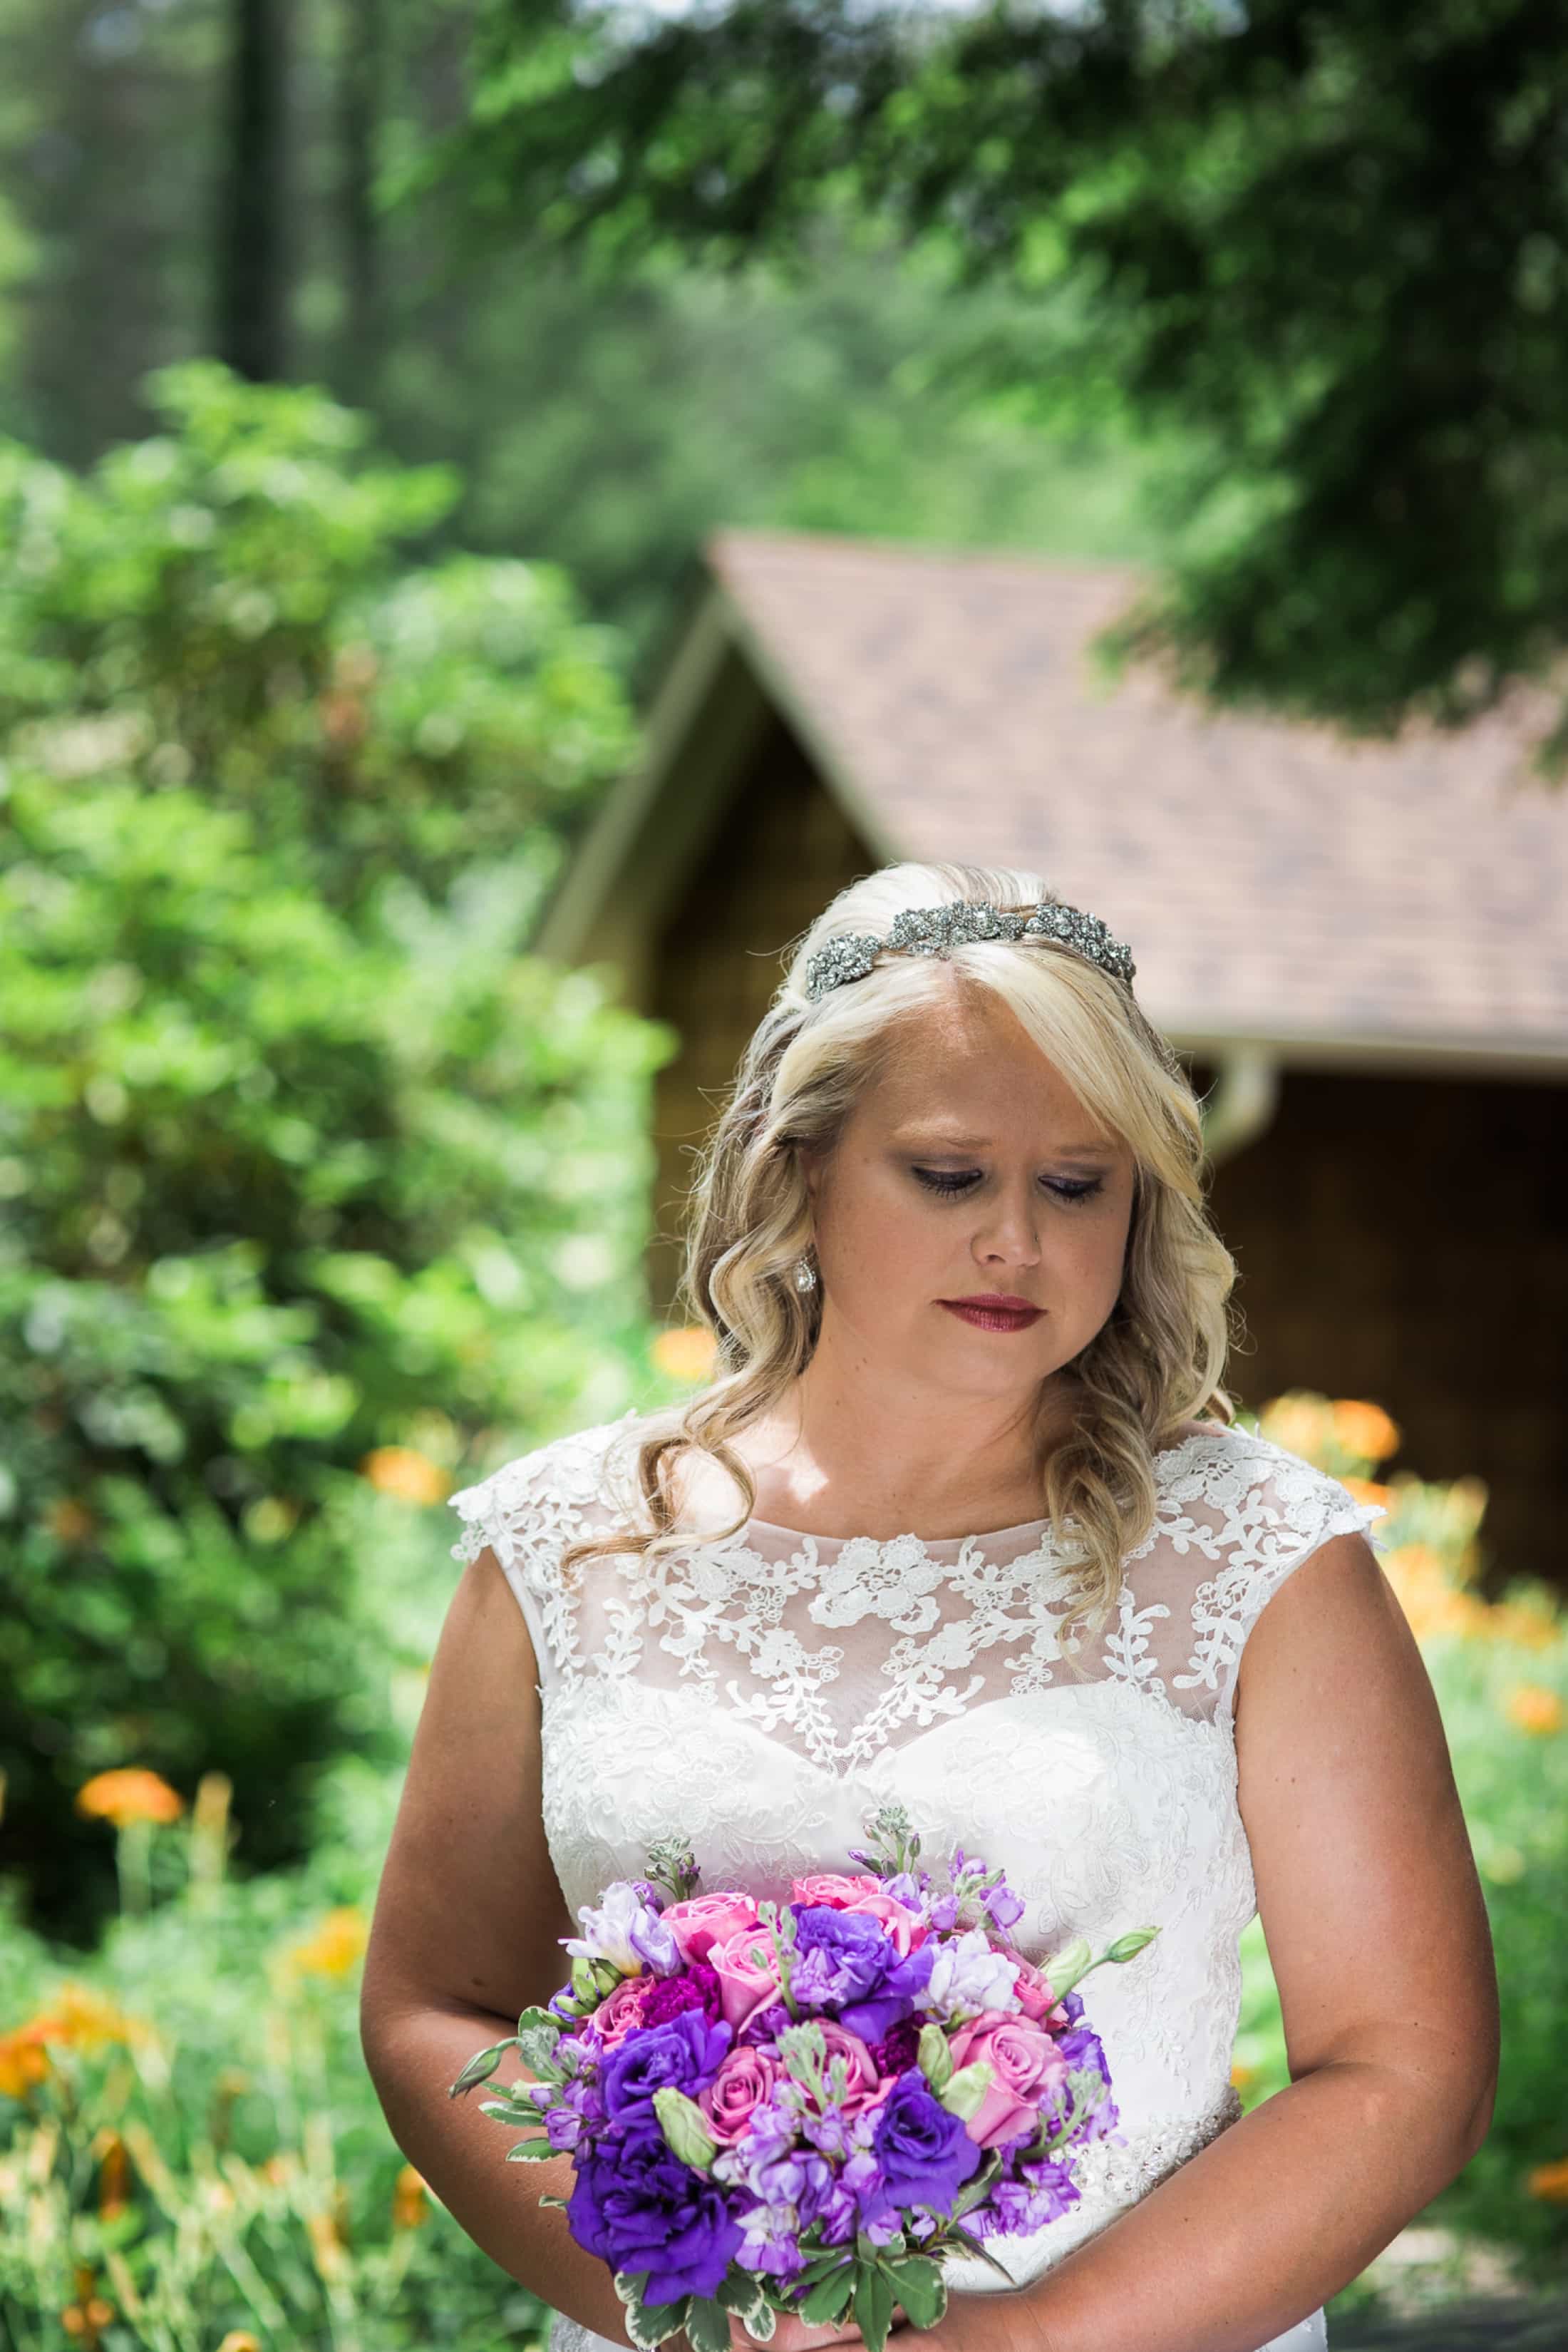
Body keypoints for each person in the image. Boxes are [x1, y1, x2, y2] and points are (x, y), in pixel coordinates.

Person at [360, 861, 1498, 2352]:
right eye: (948, 1174)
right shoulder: (572, 1542)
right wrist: (694, 2319)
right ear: (800, 1175)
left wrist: (1012, 2345)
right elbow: (435, 2004)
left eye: (1075, 1185)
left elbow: (1402, 2064)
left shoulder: (1259, 1555)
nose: (1015, 1239)